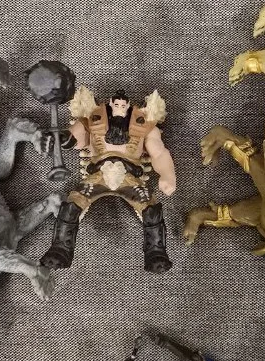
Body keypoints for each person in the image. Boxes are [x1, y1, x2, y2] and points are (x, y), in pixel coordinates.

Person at [38, 81, 176, 273]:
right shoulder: (92, 120)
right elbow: (74, 139)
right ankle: (60, 249)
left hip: (130, 177)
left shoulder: (144, 124)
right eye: (116, 104)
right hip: (98, 175)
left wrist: (167, 174)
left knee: (151, 210)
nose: (120, 107)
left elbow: (159, 153)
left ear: (128, 106)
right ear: (110, 104)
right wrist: (61, 137)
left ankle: (156, 253)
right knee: (71, 206)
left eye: (123, 105)